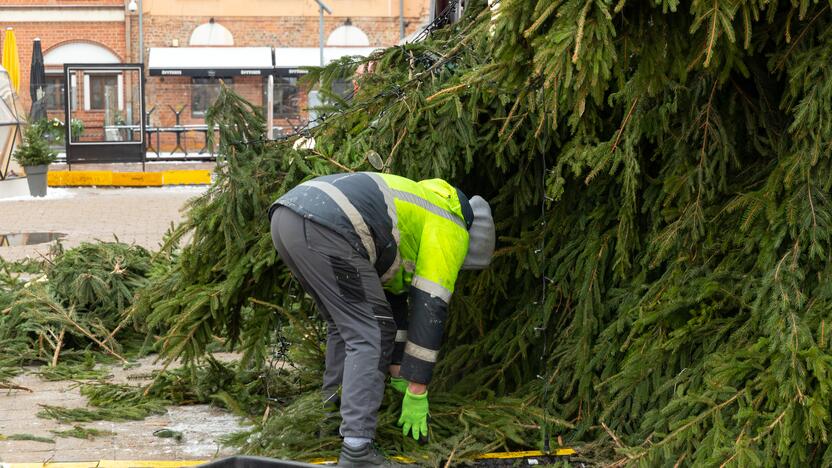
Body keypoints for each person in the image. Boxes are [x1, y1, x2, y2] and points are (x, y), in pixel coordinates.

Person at [269, 172, 495, 467]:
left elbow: (392, 308)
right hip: (328, 226)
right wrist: (417, 390)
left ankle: (329, 424)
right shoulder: (450, 226)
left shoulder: (417, 210)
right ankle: (357, 449)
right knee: (368, 333)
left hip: (288, 217)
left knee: (347, 327)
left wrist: (400, 374)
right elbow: (430, 309)